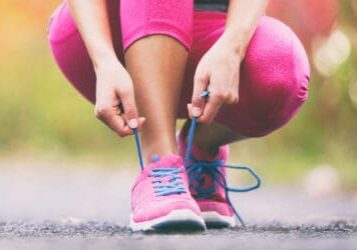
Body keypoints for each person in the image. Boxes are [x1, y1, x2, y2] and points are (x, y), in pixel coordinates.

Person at [48, 0, 310, 231]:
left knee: (282, 68)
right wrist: (103, 61)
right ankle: (160, 164)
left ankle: (199, 149)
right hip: (107, 32)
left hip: (214, 26)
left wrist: (233, 47)